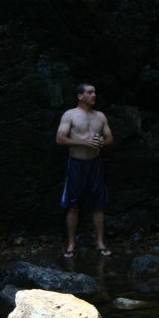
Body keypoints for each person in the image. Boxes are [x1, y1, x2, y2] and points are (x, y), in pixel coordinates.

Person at [56, 83, 113, 258]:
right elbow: (60, 139)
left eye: (95, 92)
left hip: (95, 164)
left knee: (99, 204)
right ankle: (71, 244)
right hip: (76, 164)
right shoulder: (70, 115)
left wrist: (102, 142)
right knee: (73, 205)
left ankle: (100, 242)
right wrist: (84, 142)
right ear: (80, 96)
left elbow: (110, 138)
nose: (94, 95)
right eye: (89, 92)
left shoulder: (100, 116)